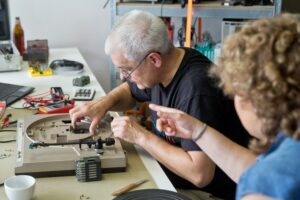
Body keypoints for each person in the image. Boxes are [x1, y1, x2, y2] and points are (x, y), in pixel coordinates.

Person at [70, 10, 249, 199]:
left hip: (211, 193)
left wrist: (140, 136)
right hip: (172, 175)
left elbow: (200, 175)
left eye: (127, 70)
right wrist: (102, 104)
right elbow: (130, 90)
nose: (124, 77)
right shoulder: (168, 64)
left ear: (154, 59)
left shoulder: (196, 91)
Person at [149, 13, 300, 200]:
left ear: (251, 98)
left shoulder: (263, 189)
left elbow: (264, 178)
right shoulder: (289, 146)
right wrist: (197, 130)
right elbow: (255, 168)